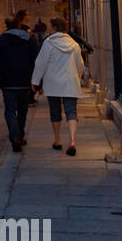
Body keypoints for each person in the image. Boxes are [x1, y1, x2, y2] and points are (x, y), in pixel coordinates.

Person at [32, 17, 85, 156]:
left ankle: (58, 140)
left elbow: (40, 64)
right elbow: (80, 65)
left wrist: (35, 82)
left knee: (55, 112)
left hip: (53, 82)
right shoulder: (74, 44)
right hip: (70, 82)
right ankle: (72, 141)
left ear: (54, 28)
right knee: (71, 112)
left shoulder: (48, 43)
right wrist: (78, 77)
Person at [0, 16, 36, 152]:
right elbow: (35, 60)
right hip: (25, 80)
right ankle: (19, 135)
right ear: (19, 25)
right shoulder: (29, 40)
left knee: (9, 109)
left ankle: (15, 134)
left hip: (7, 80)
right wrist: (37, 81)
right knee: (22, 109)